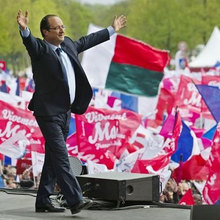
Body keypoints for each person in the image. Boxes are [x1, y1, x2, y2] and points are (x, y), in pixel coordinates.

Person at [16, 9, 126, 215]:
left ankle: (43, 200)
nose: (61, 30)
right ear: (45, 32)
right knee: (61, 155)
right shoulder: (40, 49)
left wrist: (112, 29)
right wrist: (24, 30)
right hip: (47, 112)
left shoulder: (67, 45)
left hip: (66, 112)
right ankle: (75, 199)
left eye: (62, 26)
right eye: (56, 28)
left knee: (53, 156)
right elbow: (29, 41)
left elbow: (88, 40)